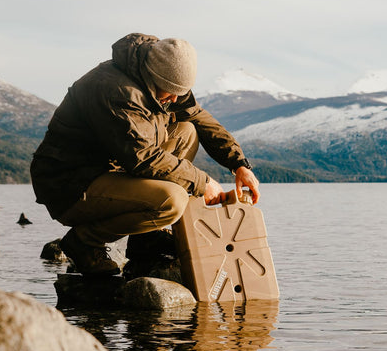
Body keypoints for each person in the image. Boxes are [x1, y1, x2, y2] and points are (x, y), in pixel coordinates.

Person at [30, 33, 260, 275]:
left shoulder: (165, 80)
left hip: (111, 169)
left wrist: (239, 164)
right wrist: (203, 183)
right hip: (70, 184)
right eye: (169, 92)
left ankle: (146, 239)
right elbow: (143, 158)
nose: (174, 99)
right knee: (173, 200)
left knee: (187, 131)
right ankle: (84, 242)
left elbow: (198, 118)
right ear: (153, 77)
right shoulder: (117, 91)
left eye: (179, 93)